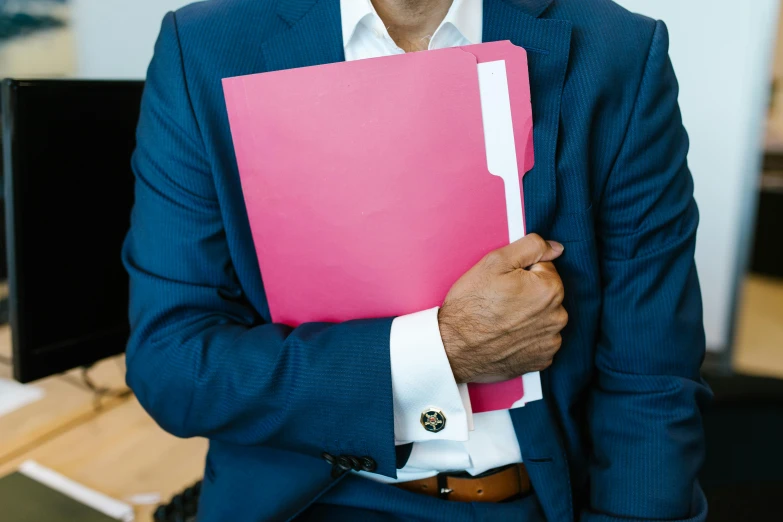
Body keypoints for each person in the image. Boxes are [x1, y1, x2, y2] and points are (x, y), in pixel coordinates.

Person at [123, 0, 711, 520]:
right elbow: (174, 366)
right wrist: (441, 350)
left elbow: (652, 376)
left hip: (537, 498)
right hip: (303, 499)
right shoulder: (202, 47)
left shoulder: (617, 51)